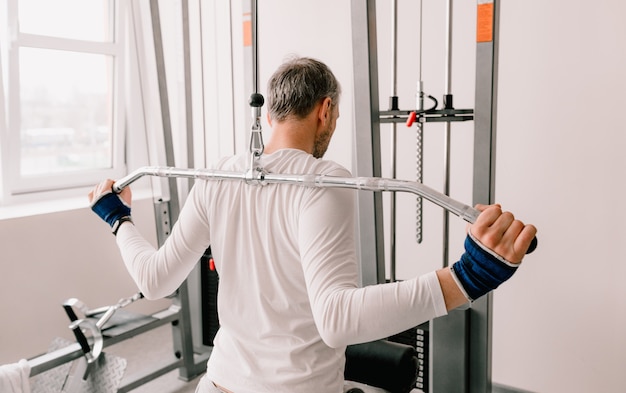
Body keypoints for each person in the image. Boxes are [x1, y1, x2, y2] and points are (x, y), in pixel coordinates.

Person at [88, 57, 537, 393]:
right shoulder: (324, 181)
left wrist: (117, 217)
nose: (334, 125)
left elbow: (155, 279)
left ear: (269, 116)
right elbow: (337, 320)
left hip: (218, 384)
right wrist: (469, 278)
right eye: (336, 117)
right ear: (325, 110)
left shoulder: (217, 175)